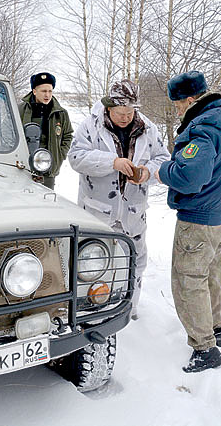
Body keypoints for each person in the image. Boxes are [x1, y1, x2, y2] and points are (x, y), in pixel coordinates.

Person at [155, 70, 221, 373]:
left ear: (191, 99)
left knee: (188, 281)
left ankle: (205, 348)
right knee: (211, 276)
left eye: (177, 104)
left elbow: (190, 177)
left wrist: (161, 171)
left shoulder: (202, 129)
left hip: (198, 219)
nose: (177, 109)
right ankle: (216, 328)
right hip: (220, 215)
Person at [68, 79, 170, 320]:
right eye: (119, 113)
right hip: (97, 212)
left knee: (135, 262)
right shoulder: (91, 127)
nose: (125, 118)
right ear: (108, 107)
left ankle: (129, 310)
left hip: (134, 212)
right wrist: (111, 162)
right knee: (92, 261)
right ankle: (92, 311)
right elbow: (75, 157)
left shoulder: (148, 128)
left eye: (129, 112)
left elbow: (163, 159)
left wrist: (146, 173)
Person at [19, 72, 73, 189]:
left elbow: (68, 135)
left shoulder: (61, 113)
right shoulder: (21, 109)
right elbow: (8, 132)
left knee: (46, 200)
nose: (47, 95)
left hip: (48, 168)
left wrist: (59, 155)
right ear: (34, 91)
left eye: (50, 91)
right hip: (24, 166)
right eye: (43, 91)